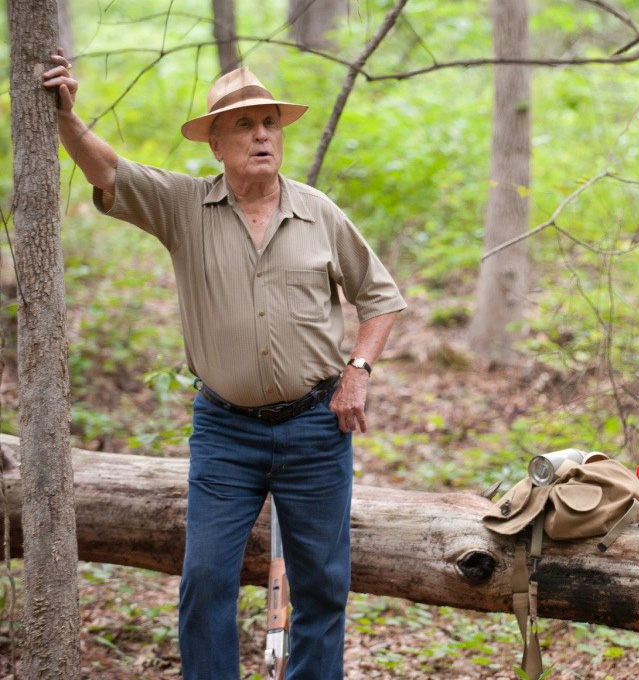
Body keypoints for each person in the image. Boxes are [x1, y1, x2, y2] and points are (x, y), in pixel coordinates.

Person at [42, 52, 406, 679]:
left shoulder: (318, 212)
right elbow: (108, 170)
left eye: (270, 123)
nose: (262, 135)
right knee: (206, 578)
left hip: (315, 427)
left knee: (323, 584)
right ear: (215, 143)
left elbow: (380, 298)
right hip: (226, 431)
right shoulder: (184, 207)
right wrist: (67, 118)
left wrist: (358, 372)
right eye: (244, 125)